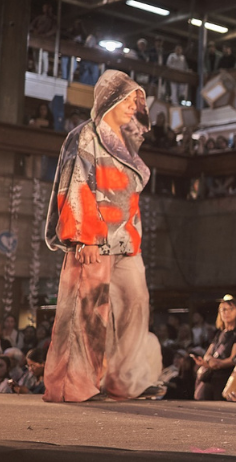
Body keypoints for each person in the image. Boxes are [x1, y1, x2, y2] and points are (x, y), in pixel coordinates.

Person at [43, 70, 163, 402]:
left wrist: (135, 235)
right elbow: (76, 183)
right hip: (93, 238)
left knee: (137, 303)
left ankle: (125, 380)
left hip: (126, 240)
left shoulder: (125, 143)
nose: (132, 105)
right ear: (107, 99)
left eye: (134, 100)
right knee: (85, 311)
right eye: (126, 98)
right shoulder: (84, 136)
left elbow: (130, 197)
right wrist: (84, 237)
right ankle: (74, 384)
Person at [193, 296, 236, 401]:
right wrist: (209, 361)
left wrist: (218, 363)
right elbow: (208, 354)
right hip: (212, 375)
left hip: (226, 377)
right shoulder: (219, 333)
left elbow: (234, 358)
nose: (226, 312)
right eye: (223, 310)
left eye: (230, 309)